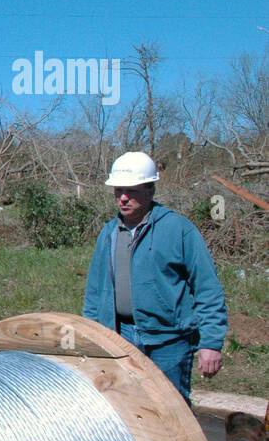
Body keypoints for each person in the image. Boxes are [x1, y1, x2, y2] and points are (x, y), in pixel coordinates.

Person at [83, 151, 227, 404]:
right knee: (128, 407)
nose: (123, 198)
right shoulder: (109, 233)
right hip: (120, 337)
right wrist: (92, 336)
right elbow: (95, 291)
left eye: (132, 190)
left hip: (169, 340)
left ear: (150, 190)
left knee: (172, 409)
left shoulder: (178, 229)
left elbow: (207, 288)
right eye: (118, 191)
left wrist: (211, 343)